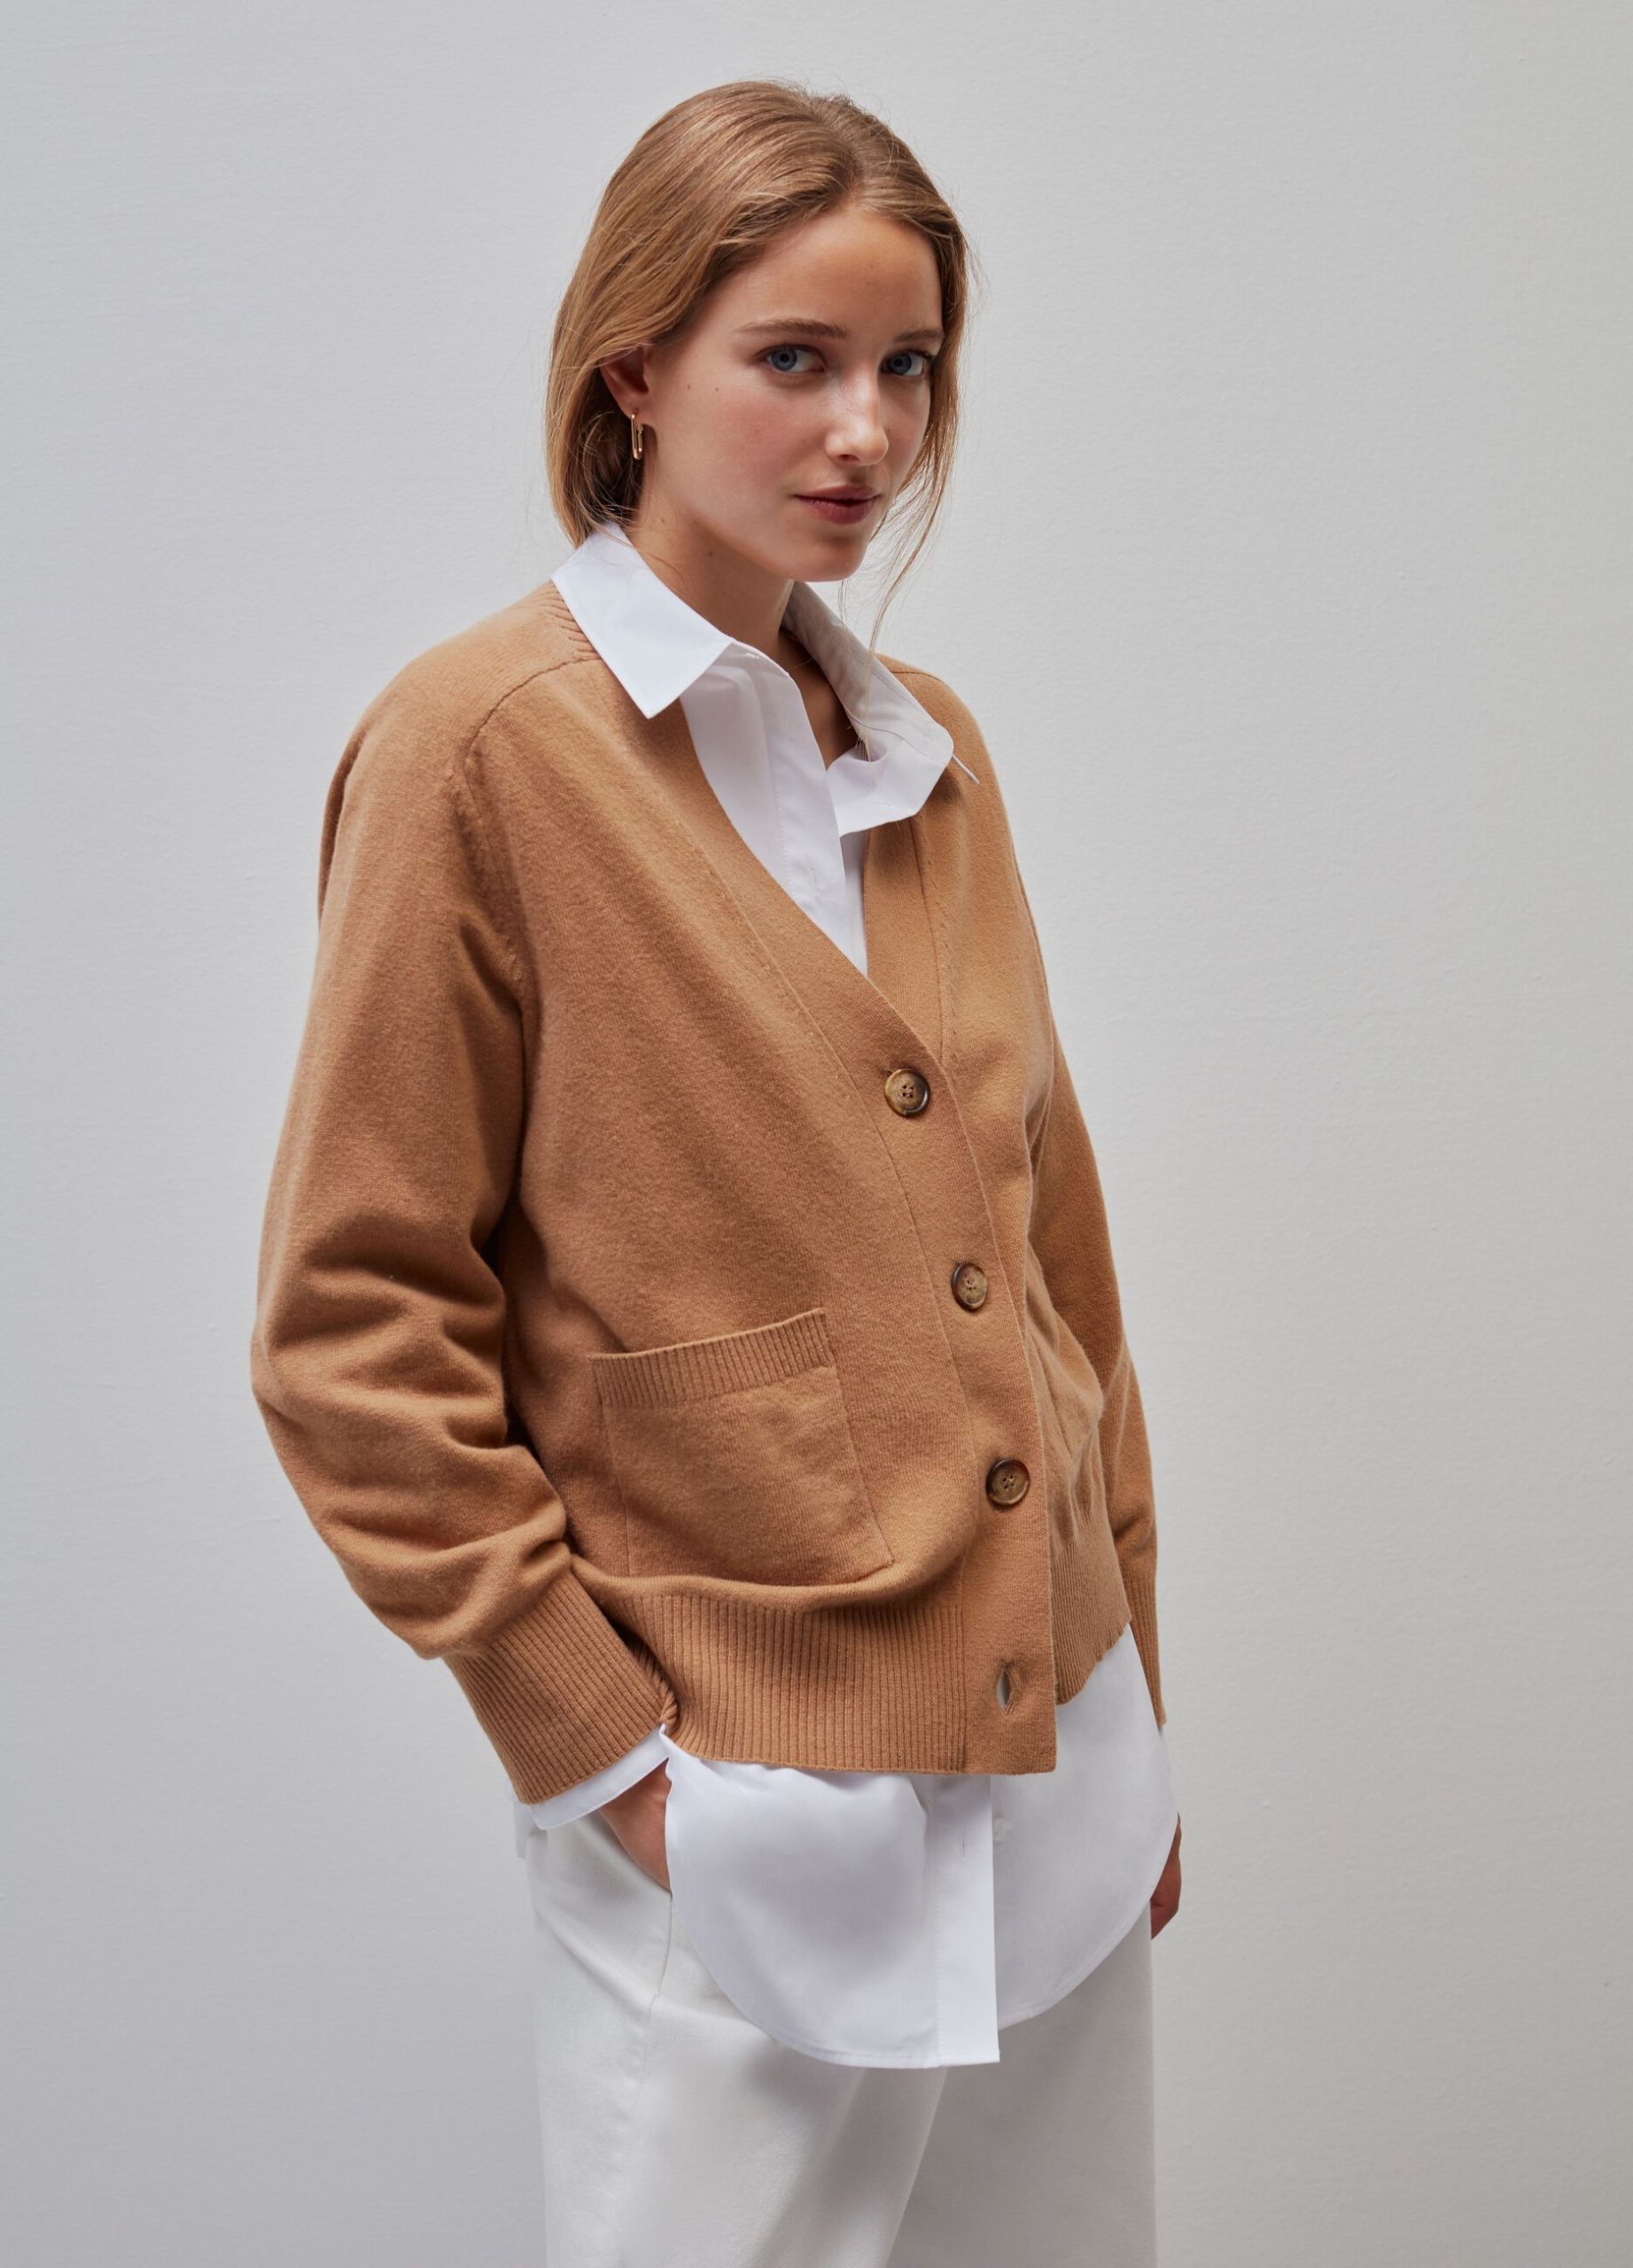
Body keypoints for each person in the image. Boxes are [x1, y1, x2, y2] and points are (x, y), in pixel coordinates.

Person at [251, 76, 1183, 2268]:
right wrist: (610, 1762)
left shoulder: (933, 751)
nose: (867, 430)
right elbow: (352, 1329)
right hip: (751, 1809)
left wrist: (1132, 1683)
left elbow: (1054, 1256)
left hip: (1057, 1781)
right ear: (634, 369)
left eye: (908, 365)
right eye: (795, 358)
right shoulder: (478, 750)